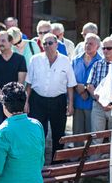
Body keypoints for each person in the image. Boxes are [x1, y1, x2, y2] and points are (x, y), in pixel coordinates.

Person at [0, 82, 44, 183]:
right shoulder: (37, 125)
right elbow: (40, 159)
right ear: (25, 102)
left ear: (4, 105)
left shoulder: (1, 132)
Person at [26, 32, 76, 160]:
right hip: (37, 100)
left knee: (58, 133)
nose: (47, 46)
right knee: (38, 132)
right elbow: (29, 83)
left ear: (57, 44)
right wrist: (26, 102)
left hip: (58, 101)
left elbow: (70, 85)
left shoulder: (65, 60)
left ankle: (57, 162)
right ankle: (37, 160)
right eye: (44, 43)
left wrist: (70, 104)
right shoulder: (35, 59)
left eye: (50, 43)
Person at [0, 31, 27, 131]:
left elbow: (20, 82)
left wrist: (9, 97)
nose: (0, 43)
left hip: (14, 101)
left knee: (14, 129)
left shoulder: (20, 59)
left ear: (11, 42)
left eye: (3, 41)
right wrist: (1, 95)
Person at [71, 34, 101, 144]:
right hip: (77, 101)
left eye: (91, 43)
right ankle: (75, 157)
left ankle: (88, 158)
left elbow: (101, 83)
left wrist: (84, 89)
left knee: (91, 132)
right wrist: (78, 88)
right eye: (86, 43)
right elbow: (70, 77)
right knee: (77, 132)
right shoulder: (76, 60)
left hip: (92, 103)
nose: (87, 45)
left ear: (97, 46)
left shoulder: (100, 62)